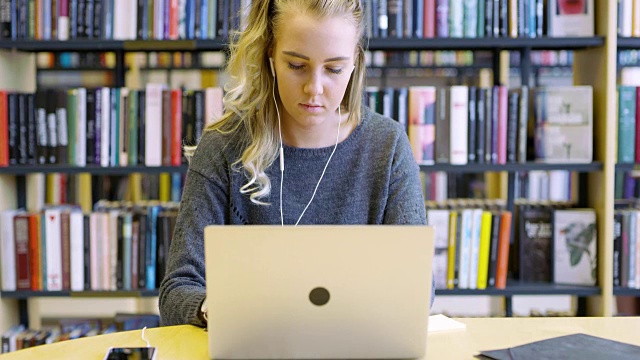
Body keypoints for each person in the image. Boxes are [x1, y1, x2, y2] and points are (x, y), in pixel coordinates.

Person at [159, 0, 434, 327]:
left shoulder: (386, 146)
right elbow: (178, 289)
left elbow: (417, 288)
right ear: (271, 55)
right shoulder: (223, 147)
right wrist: (215, 309)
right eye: (296, 65)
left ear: (356, 62)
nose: (314, 88)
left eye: (334, 69)